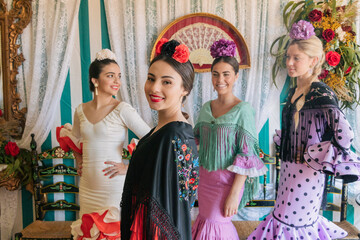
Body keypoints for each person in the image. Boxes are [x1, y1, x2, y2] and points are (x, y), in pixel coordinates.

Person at [248, 20, 360, 240]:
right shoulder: (294, 91)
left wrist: (319, 153)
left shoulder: (320, 92)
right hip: (289, 168)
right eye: (288, 57)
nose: (289, 62)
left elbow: (345, 135)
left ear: (313, 61)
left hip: (308, 174)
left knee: (294, 221)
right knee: (283, 217)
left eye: (296, 58)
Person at [57, 49, 150, 239]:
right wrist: (79, 158)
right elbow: (74, 140)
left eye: (119, 76)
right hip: (87, 188)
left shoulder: (123, 109)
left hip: (113, 189)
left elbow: (152, 139)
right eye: (110, 76)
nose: (117, 81)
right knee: (88, 232)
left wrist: (128, 167)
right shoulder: (80, 110)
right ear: (95, 80)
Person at [120, 39, 199, 240]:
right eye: (151, 78)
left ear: (185, 89)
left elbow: (165, 214)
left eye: (166, 82)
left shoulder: (172, 137)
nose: (154, 88)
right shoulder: (161, 131)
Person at [191, 39, 267, 240]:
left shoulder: (243, 110)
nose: (220, 80)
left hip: (228, 184)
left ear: (236, 76)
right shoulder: (207, 107)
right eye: (215, 74)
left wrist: (235, 193)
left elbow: (247, 154)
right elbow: (195, 140)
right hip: (205, 179)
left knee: (218, 224)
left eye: (226, 74)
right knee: (205, 220)